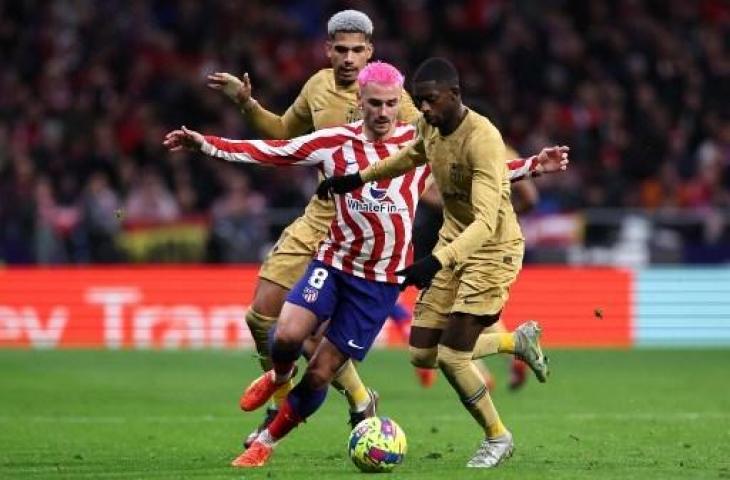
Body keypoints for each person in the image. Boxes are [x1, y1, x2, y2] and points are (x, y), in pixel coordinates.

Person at [164, 61, 568, 468]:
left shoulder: (424, 139)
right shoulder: (336, 142)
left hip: (379, 283)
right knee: (284, 336)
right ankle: (278, 379)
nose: (382, 112)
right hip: (334, 262)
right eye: (374, 103)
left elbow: (479, 175)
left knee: (328, 371)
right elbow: (273, 151)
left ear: (399, 105)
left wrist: (533, 165)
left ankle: (265, 442)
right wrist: (207, 145)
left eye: (391, 104)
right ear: (359, 102)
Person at [318, 57, 566, 468]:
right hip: (454, 242)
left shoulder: (483, 139)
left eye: (431, 100)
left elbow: (486, 223)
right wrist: (357, 179)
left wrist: (434, 261)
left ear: (454, 94)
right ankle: (515, 342)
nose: (425, 109)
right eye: (420, 101)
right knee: (421, 354)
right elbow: (410, 155)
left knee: (453, 357)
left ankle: (497, 436)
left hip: (492, 250)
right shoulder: (430, 127)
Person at [206, 10, 421, 444]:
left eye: (357, 50)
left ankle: (285, 412)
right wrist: (247, 104)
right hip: (319, 214)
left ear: (369, 52)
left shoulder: (390, 96)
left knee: (314, 335)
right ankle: (351, 398)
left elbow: (424, 152)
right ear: (328, 50)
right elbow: (284, 133)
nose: (347, 58)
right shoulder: (318, 85)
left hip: (360, 225)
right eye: (340, 49)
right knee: (260, 316)